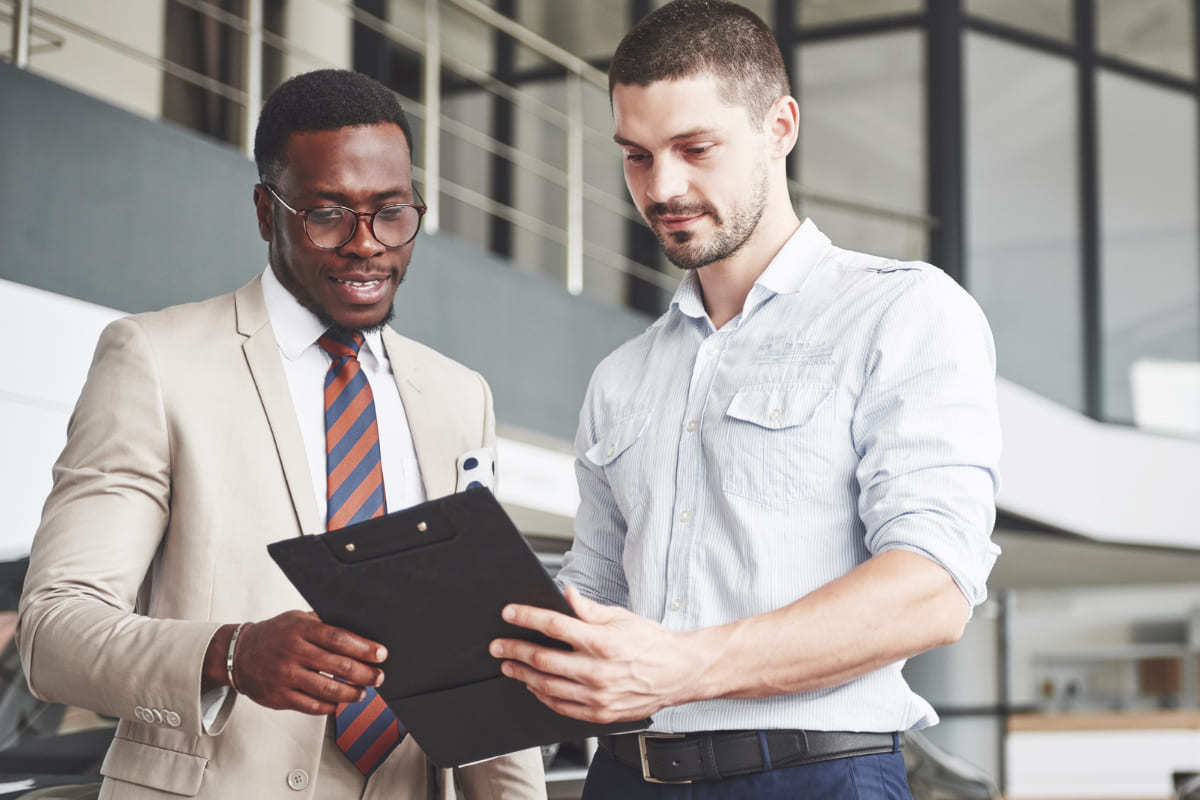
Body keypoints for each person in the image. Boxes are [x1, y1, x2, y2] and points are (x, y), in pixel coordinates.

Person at [488, 1, 1001, 797]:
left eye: (695, 148)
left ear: (779, 127)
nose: (663, 187)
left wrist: (684, 667)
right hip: (623, 777)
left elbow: (932, 589)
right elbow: (595, 596)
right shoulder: (621, 377)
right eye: (636, 156)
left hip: (817, 777)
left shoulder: (903, 313)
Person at [17, 69, 544, 800]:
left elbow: (485, 666)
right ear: (267, 212)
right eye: (328, 213)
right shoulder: (155, 363)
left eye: (391, 212)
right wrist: (228, 653)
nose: (367, 245)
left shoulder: (460, 397)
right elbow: (53, 633)